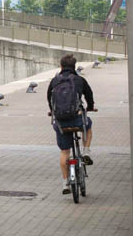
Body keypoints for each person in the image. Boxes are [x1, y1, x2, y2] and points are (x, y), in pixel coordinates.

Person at [47, 53, 96, 195]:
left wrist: (52, 111)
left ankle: (65, 183)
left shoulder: (54, 81)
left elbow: (49, 98)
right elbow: (89, 95)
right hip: (77, 119)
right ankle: (86, 151)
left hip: (61, 122)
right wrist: (91, 107)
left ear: (61, 66)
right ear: (74, 67)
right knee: (88, 125)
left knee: (64, 152)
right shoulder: (79, 80)